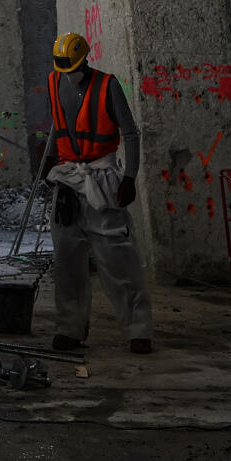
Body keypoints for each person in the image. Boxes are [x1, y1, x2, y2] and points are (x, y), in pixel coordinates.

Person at [40, 30, 153, 353]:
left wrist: (129, 177)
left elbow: (130, 134)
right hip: (67, 181)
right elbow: (57, 126)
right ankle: (70, 328)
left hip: (102, 179)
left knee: (118, 260)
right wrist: (49, 163)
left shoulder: (108, 85)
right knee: (67, 260)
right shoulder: (54, 82)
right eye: (63, 68)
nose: (68, 74)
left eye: (72, 67)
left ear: (84, 60)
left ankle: (138, 329)